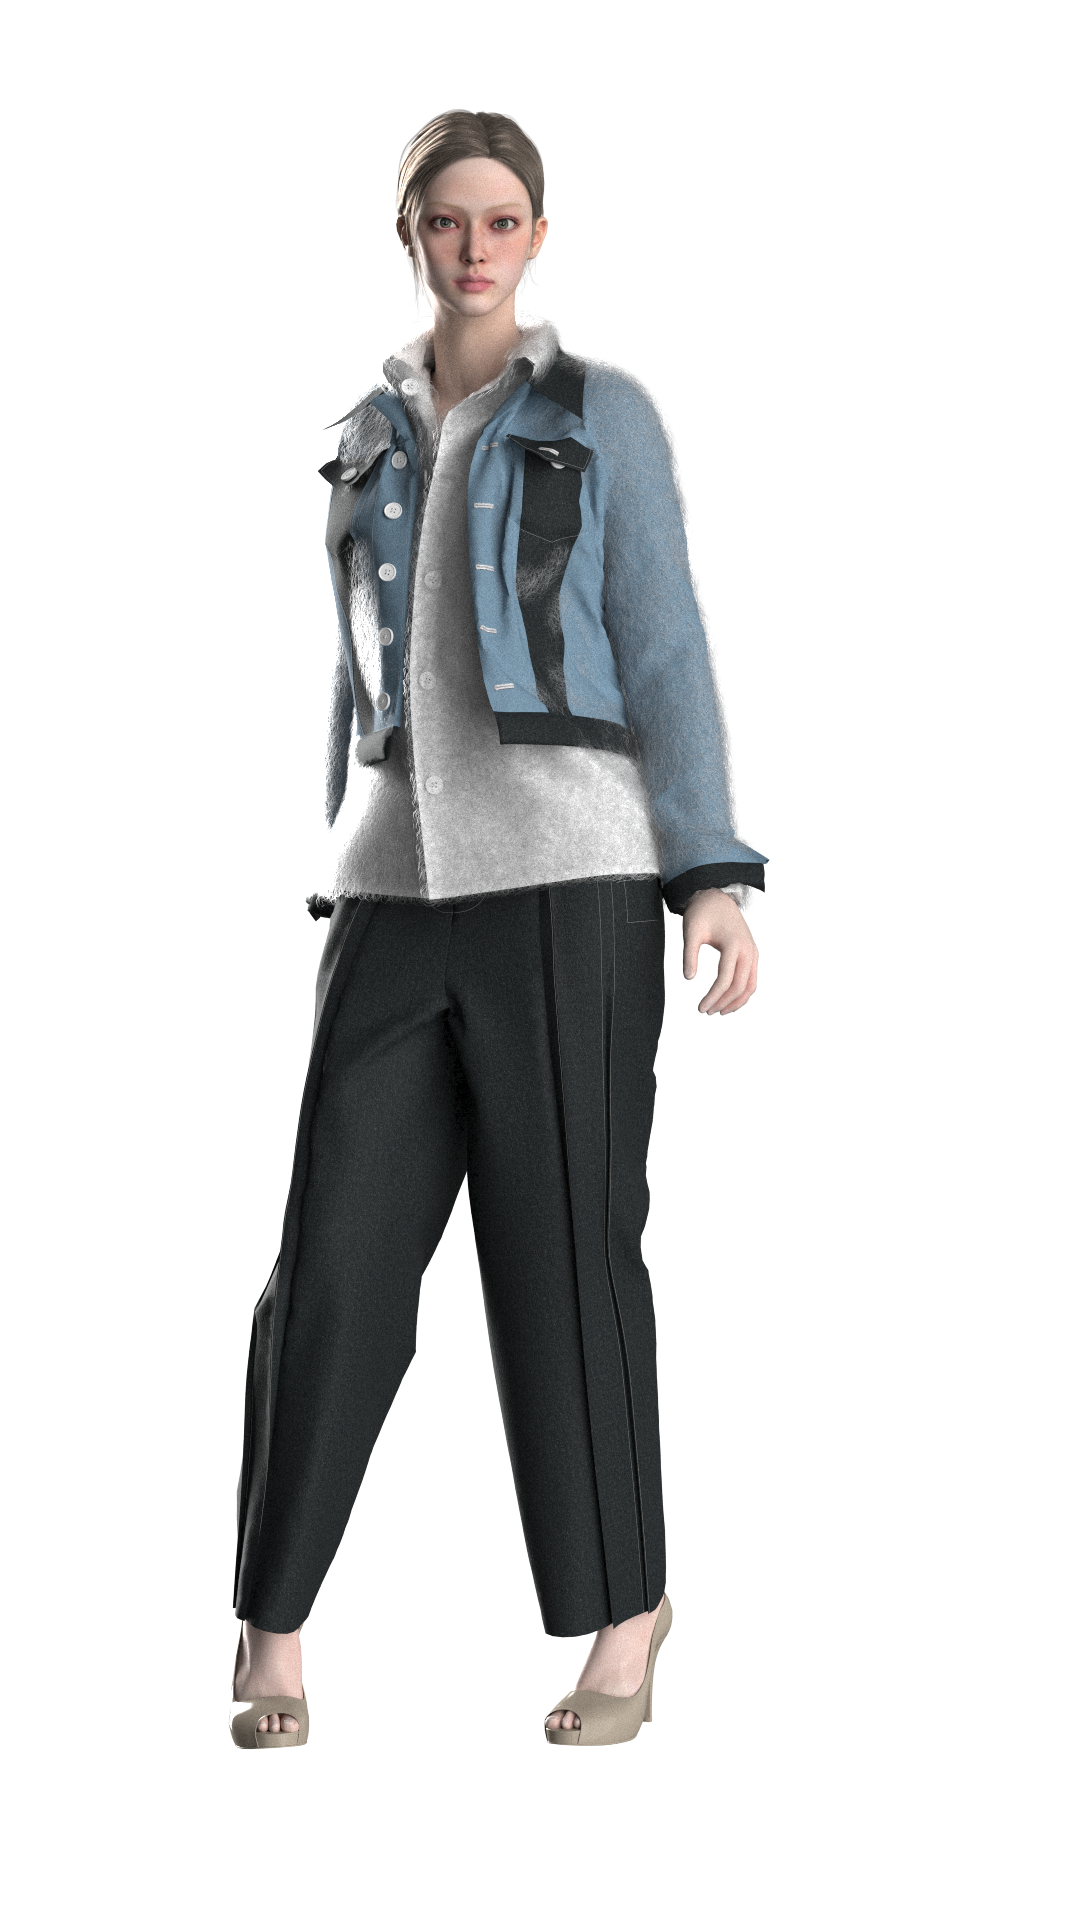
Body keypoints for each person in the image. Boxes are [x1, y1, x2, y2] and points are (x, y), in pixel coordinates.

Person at [229, 108, 767, 1750]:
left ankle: (626, 1613)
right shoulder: (358, 419)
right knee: (329, 1263)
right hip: (388, 893)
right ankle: (269, 1628)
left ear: (538, 236)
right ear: (409, 235)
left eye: (502, 219)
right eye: (445, 220)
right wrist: (330, 848)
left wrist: (711, 873)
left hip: (570, 882)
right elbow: (343, 658)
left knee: (564, 1256)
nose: (474, 247)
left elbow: (666, 639)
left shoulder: (607, 408)